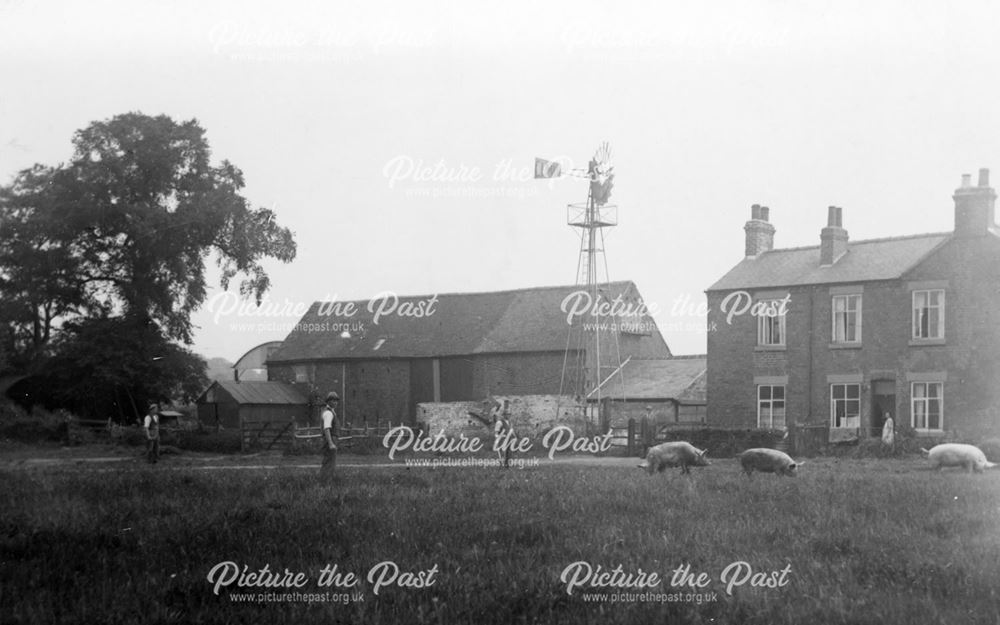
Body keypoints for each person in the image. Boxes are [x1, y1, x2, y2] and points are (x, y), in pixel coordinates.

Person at [321, 392, 340, 477]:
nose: (335, 402)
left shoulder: (332, 412)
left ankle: (328, 481)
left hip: (333, 439)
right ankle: (325, 481)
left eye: (336, 400)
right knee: (329, 462)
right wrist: (331, 443)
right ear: (328, 401)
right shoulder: (328, 413)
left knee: (331, 462)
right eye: (333, 400)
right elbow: (326, 428)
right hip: (330, 440)